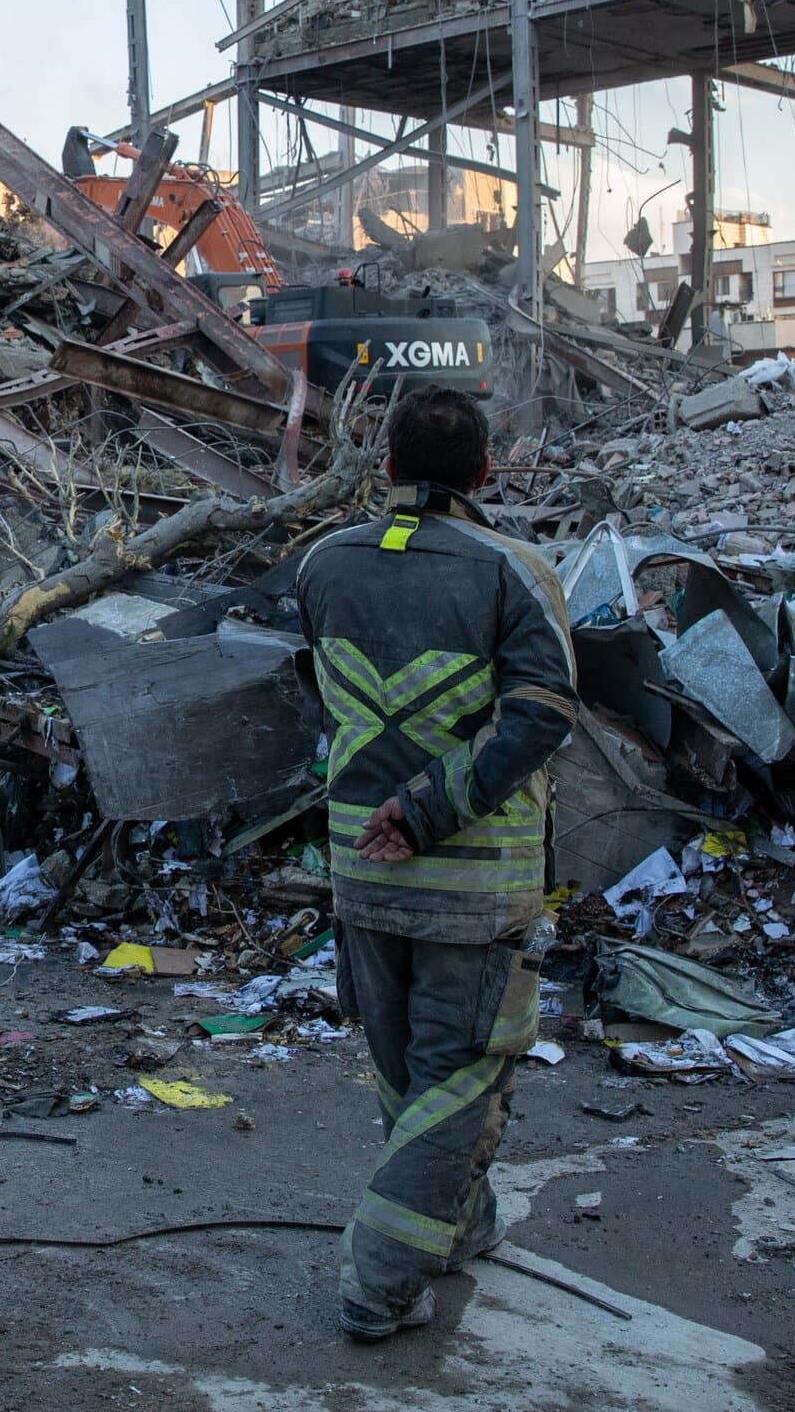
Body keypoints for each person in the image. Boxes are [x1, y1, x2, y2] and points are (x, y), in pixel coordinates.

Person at [294, 385, 576, 1341]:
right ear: (486, 472)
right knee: (458, 1075)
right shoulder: (517, 570)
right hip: (471, 875)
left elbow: (319, 699)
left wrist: (388, 813)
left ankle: (459, 1224)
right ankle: (379, 1283)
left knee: (407, 1073)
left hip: (357, 869)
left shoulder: (323, 563)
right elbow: (542, 716)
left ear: (385, 469)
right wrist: (426, 811)